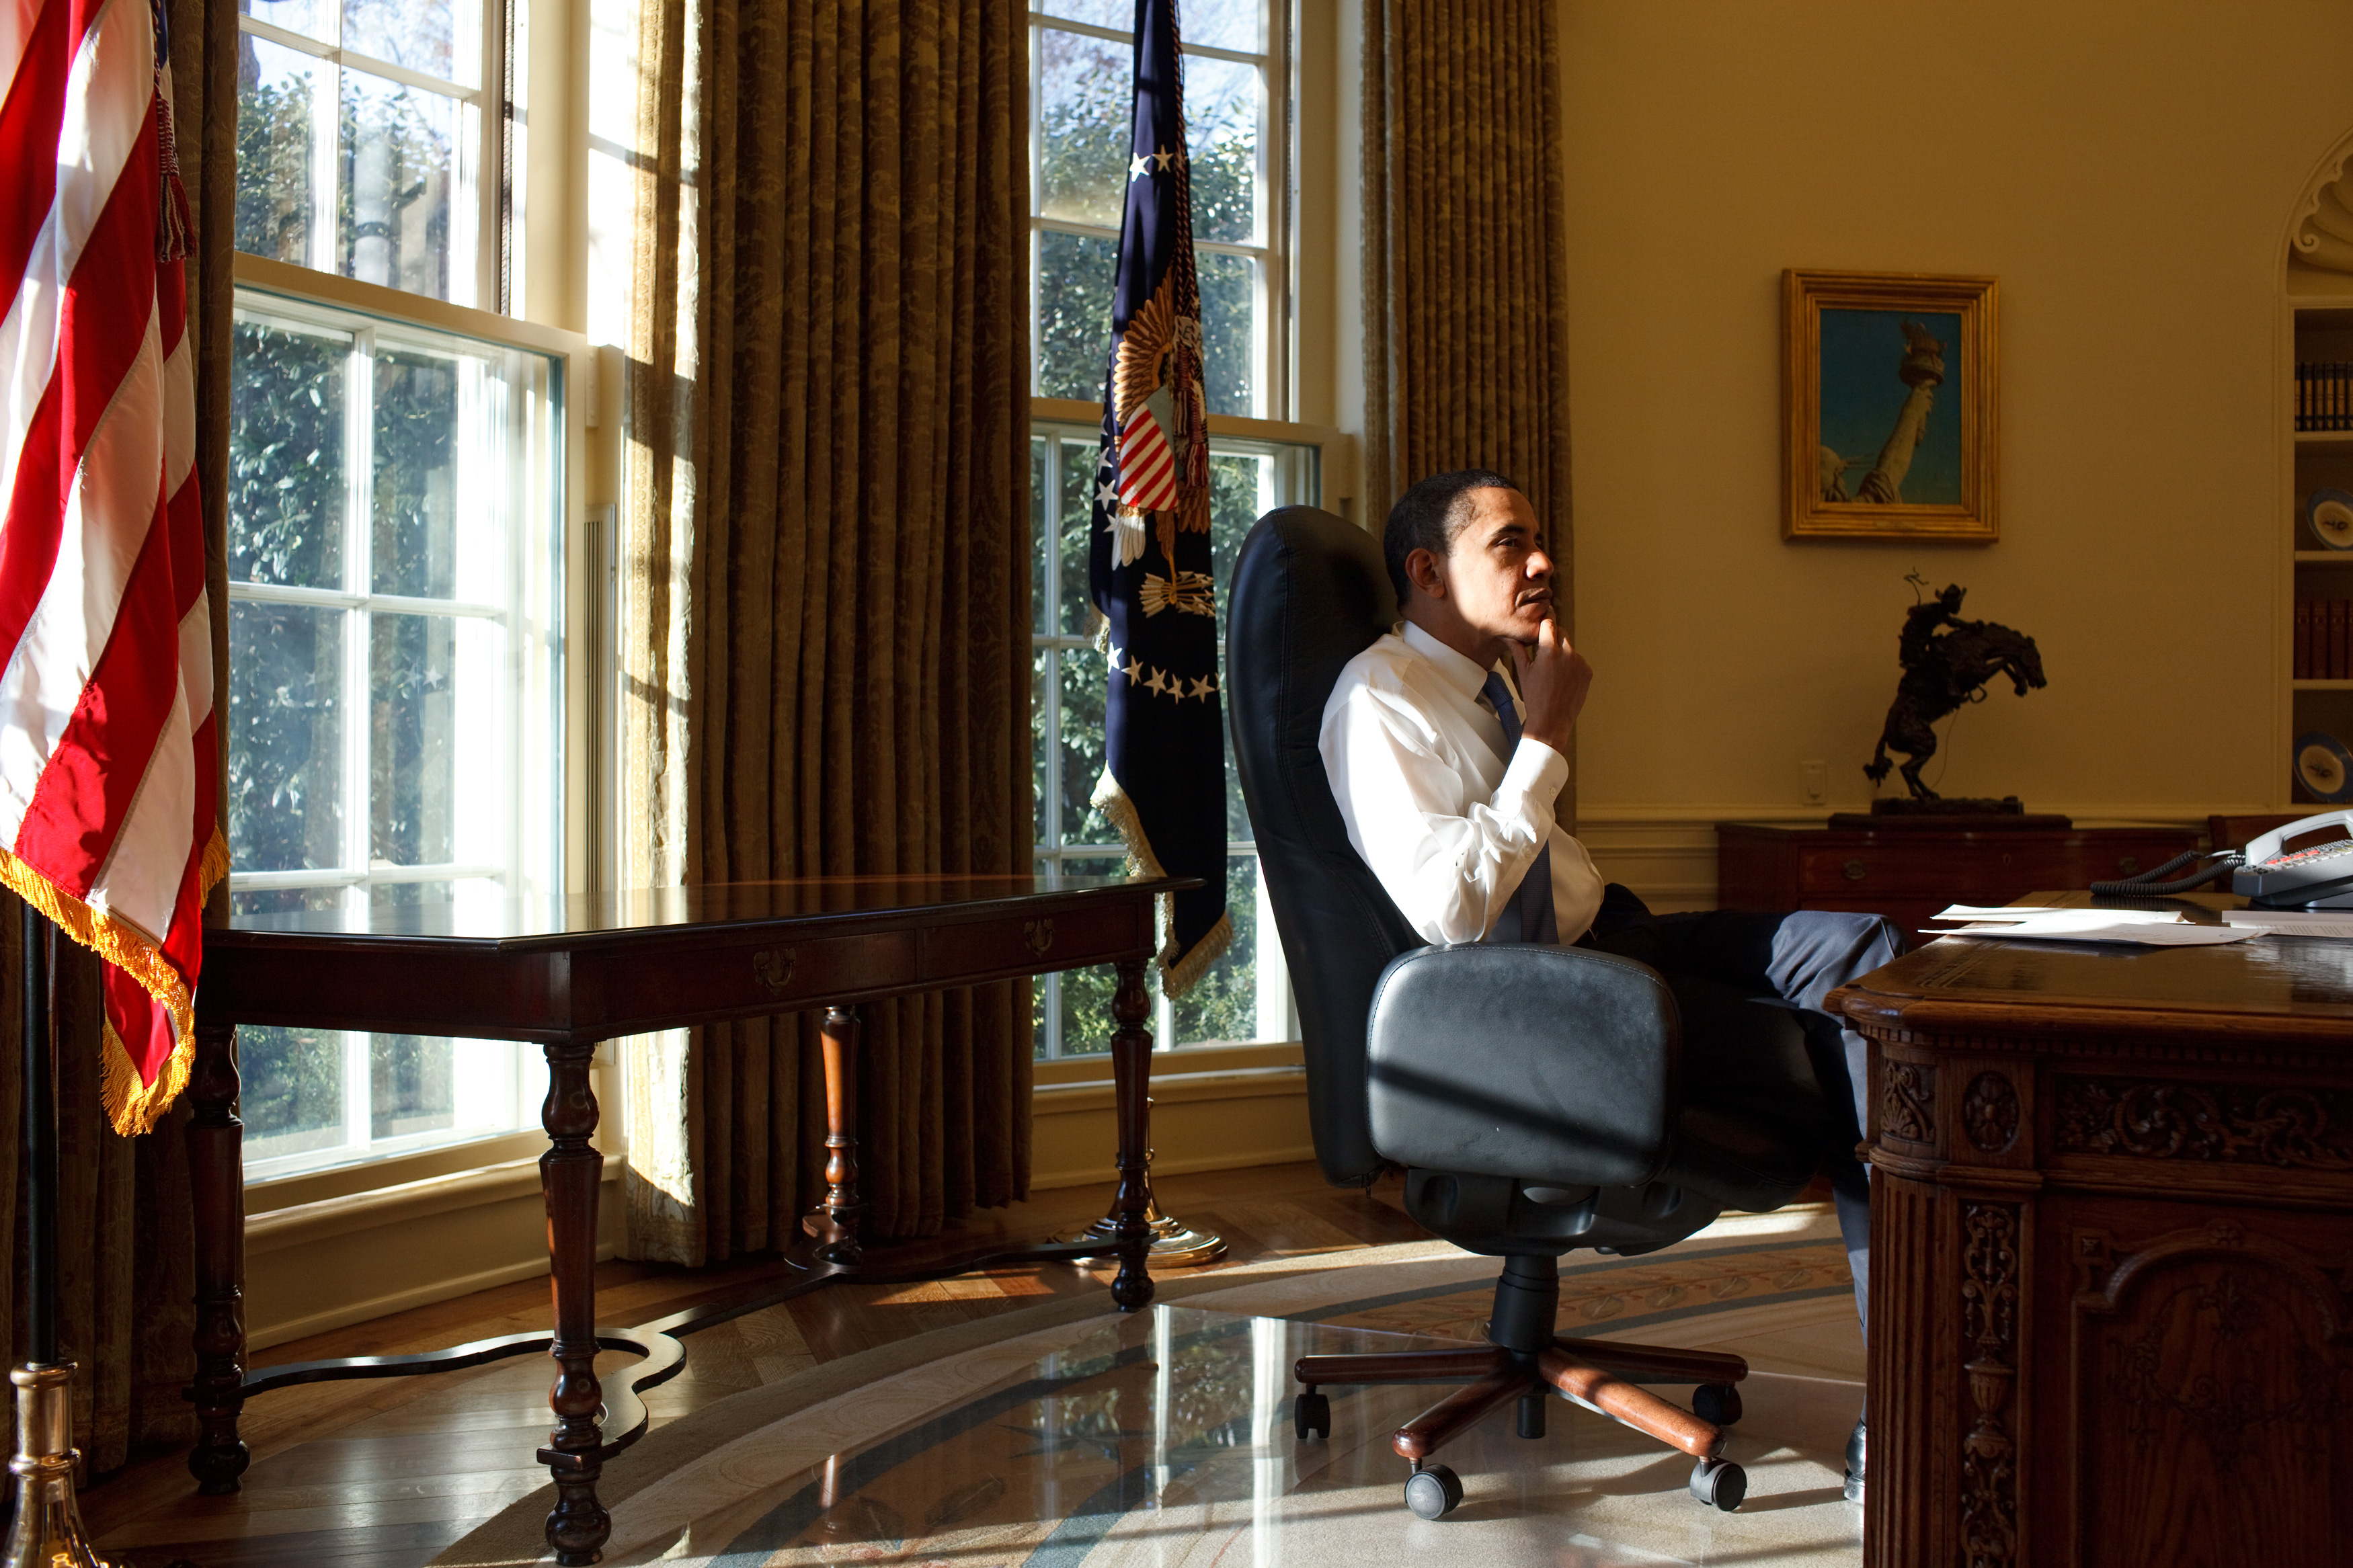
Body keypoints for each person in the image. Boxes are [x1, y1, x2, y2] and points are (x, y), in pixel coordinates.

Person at [1318, 468, 1899, 1499]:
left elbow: (1543, 872)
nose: (1544, 562)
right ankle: (1911, 1390)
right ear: (1427, 572)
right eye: (1510, 544)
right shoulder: (1379, 701)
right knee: (1842, 1055)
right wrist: (1544, 739)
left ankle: (1921, 1326)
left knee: (1863, 956)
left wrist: (1531, 722)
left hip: (1608, 940)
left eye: (1541, 540)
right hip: (1534, 1014)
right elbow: (1452, 911)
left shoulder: (1490, 681)